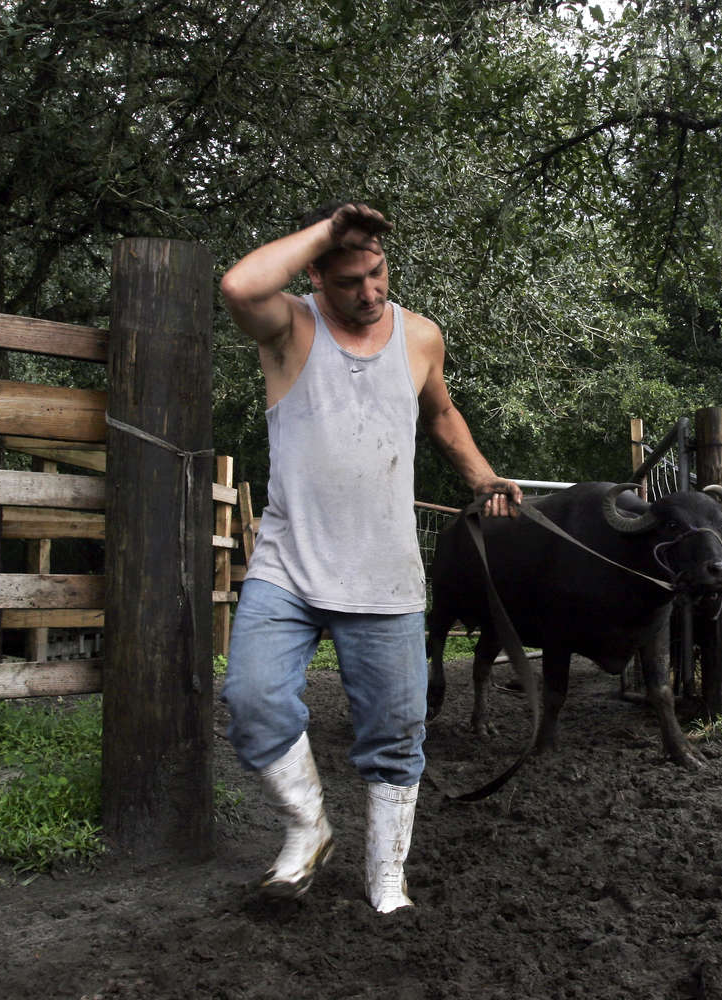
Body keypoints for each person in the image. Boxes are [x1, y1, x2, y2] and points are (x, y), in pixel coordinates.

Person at [217, 201, 521, 913]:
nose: (369, 291)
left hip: (385, 574)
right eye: (349, 279)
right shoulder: (288, 326)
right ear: (316, 273)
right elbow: (236, 286)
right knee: (253, 700)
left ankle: (387, 876)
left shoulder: (420, 337)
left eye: (377, 273)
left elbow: (441, 414)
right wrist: (327, 229)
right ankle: (307, 827)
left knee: (395, 735)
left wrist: (481, 477)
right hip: (289, 564)